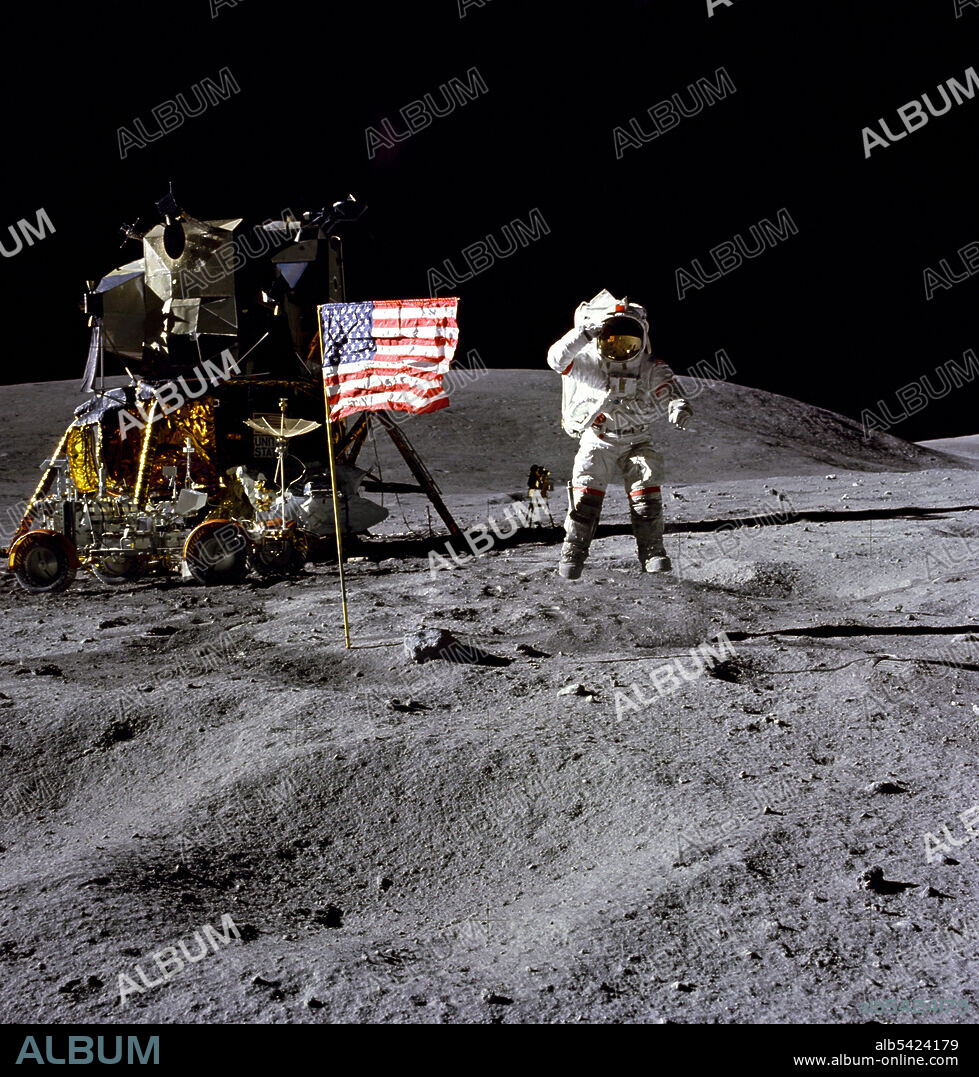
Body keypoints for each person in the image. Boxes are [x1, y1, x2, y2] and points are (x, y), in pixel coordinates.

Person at [547, 290, 692, 580]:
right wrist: (582, 334)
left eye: (629, 340)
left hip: (636, 439)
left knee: (645, 497)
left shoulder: (650, 367)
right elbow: (557, 360)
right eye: (613, 339)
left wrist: (678, 406)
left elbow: (670, 390)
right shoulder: (591, 366)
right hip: (599, 438)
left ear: (642, 337)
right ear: (601, 339)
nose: (622, 347)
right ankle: (573, 554)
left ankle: (652, 552)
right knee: (585, 499)